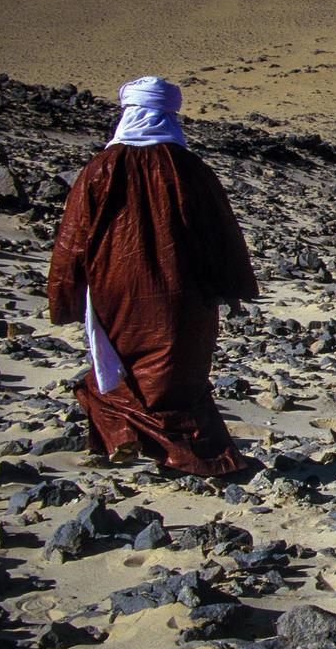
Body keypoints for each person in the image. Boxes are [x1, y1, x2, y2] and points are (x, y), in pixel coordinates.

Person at [47, 77, 258, 475]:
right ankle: (193, 454)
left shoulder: (98, 169)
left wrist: (65, 295)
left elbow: (73, 239)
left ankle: (126, 436)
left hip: (116, 290)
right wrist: (233, 286)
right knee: (176, 371)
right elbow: (221, 233)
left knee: (124, 366)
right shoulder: (190, 170)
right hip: (185, 291)